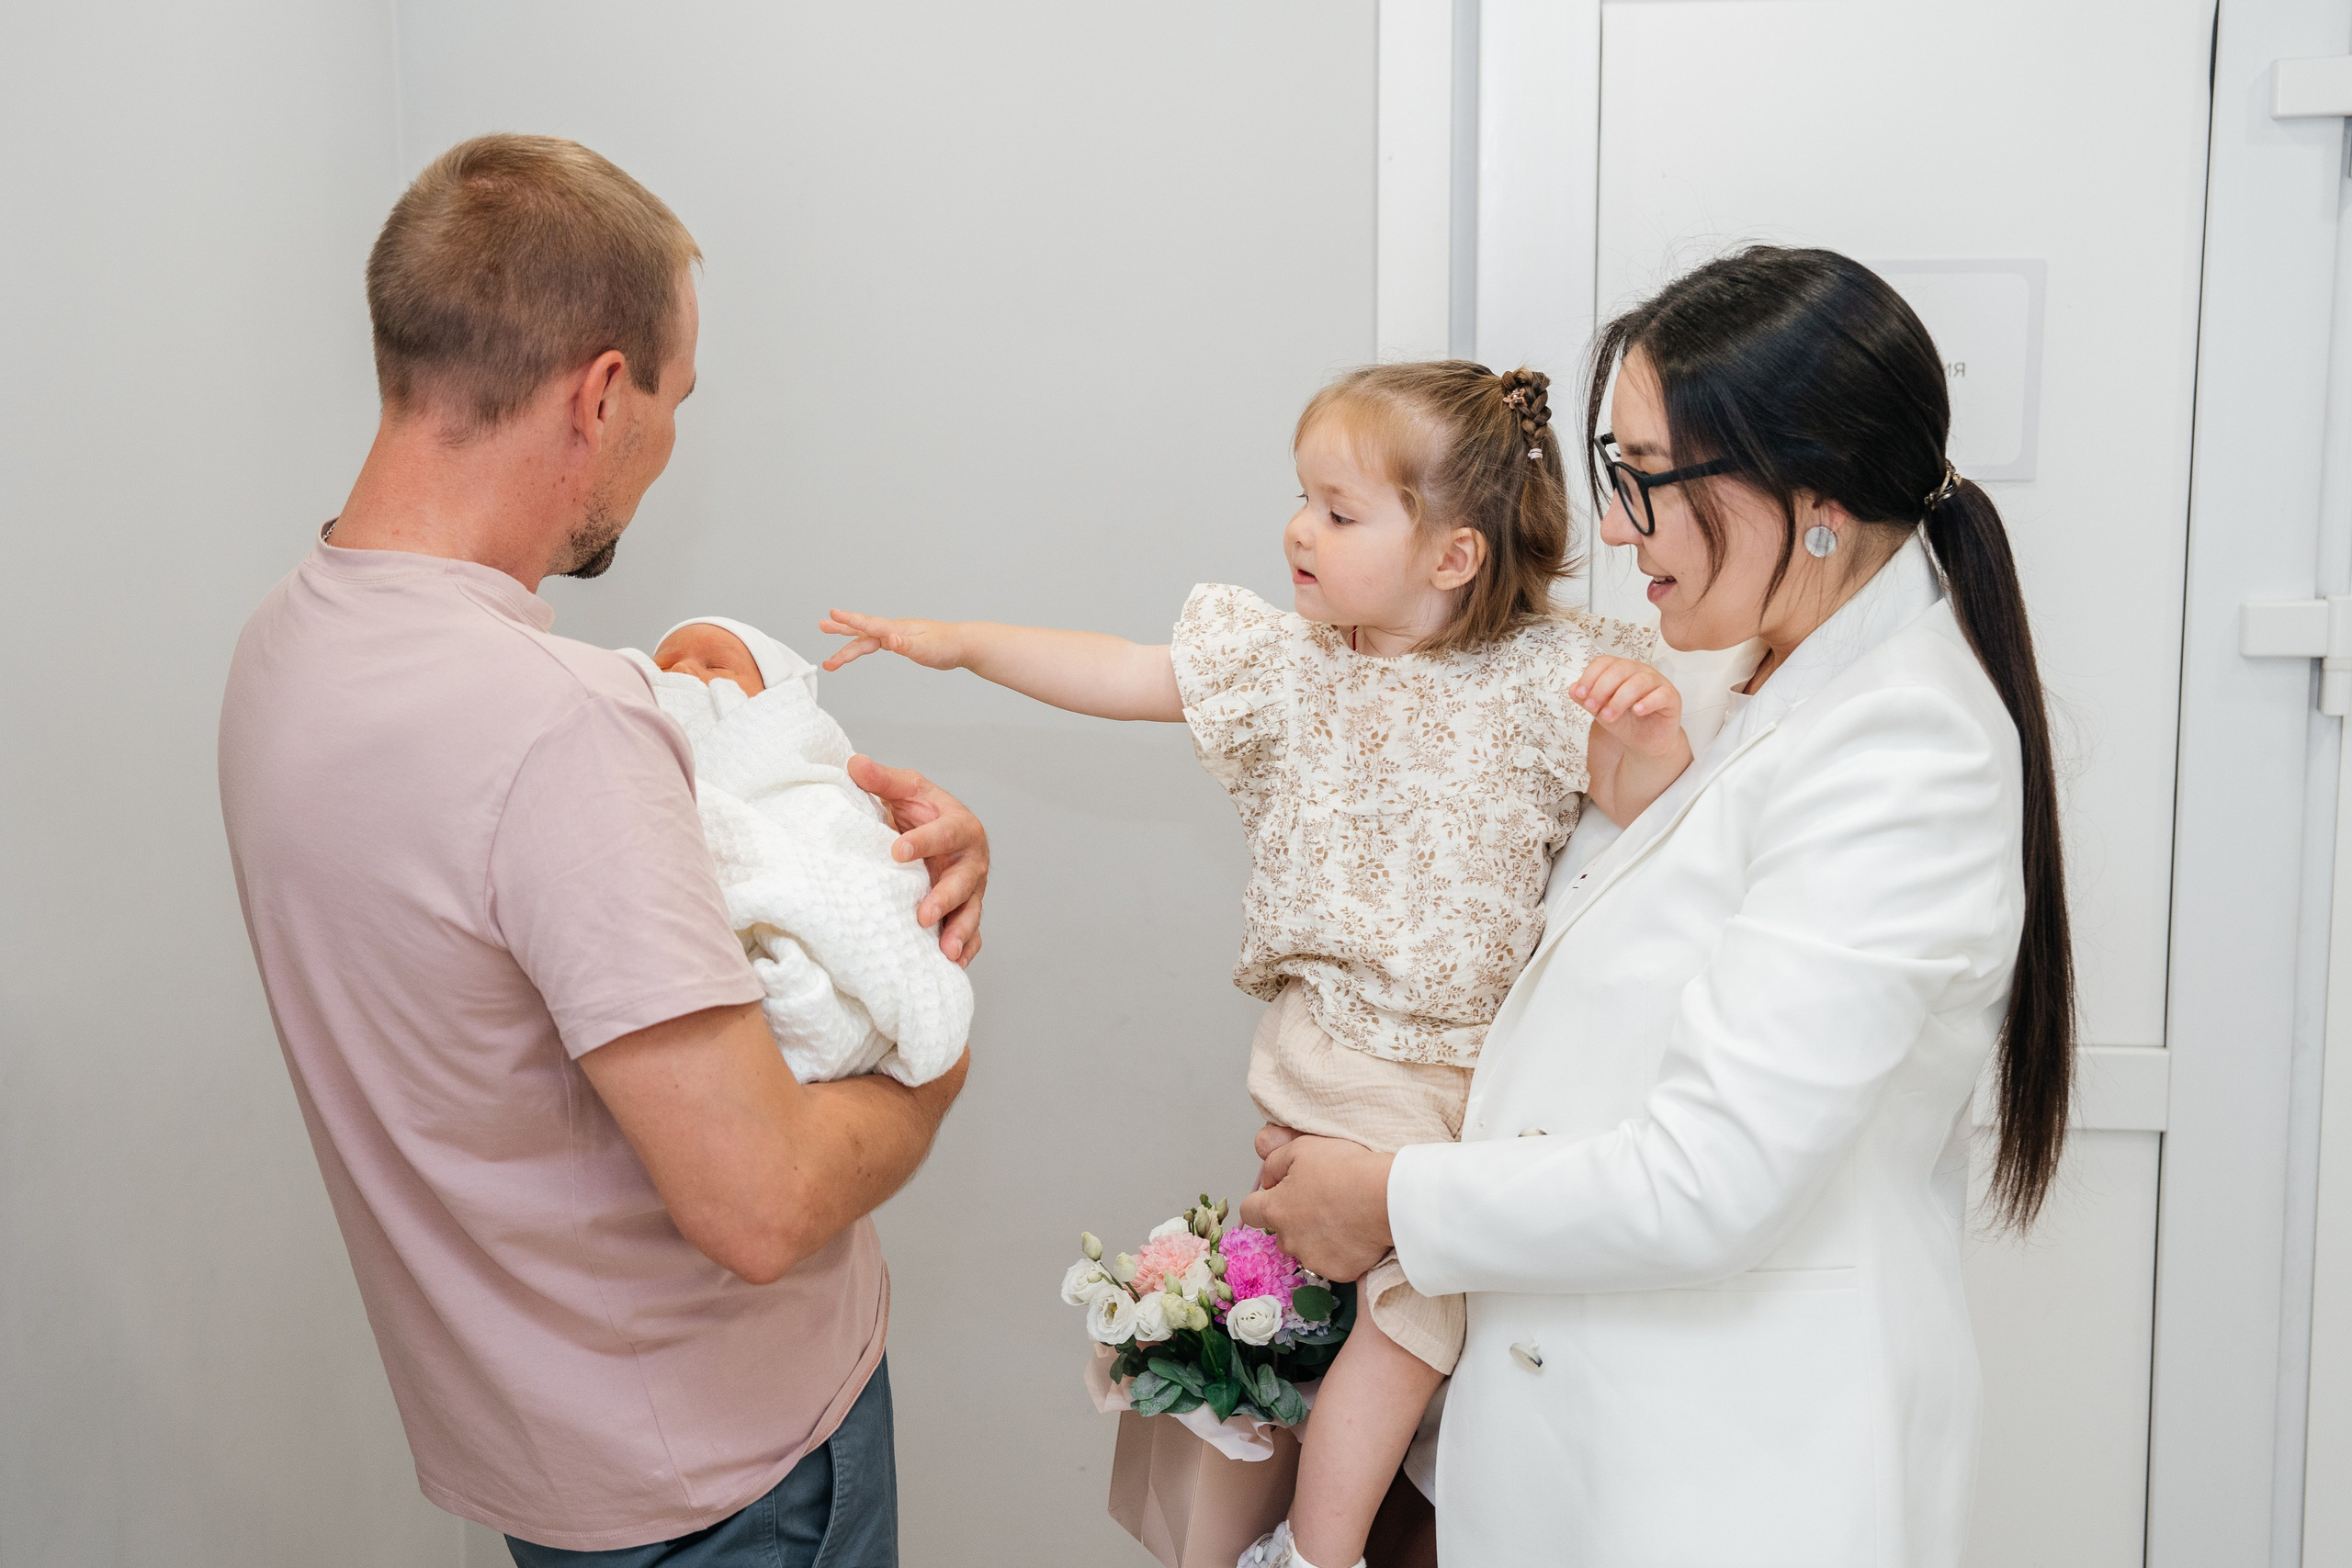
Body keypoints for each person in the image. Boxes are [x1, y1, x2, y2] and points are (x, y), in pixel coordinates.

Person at [1240, 246, 2075, 1566]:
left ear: (1809, 495)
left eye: (1642, 479)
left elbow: (1713, 1173)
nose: (1614, 528)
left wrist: (1393, 1197)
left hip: (1735, 1474)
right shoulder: (1718, 676)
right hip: (1584, 1447)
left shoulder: (1907, 748)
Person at [217, 134, 986, 1567]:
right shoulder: (559, 727)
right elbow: (762, 1205)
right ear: (603, 391)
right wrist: (935, 1016)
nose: (672, 440)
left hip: (552, 1468)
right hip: (738, 1485)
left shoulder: (282, 649)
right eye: (676, 398)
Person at [819, 362, 1687, 1568]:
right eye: (1302, 497)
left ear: (1454, 556)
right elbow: (1125, 670)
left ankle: (1308, 1536)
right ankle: (1315, 1553)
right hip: (1363, 1070)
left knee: (1373, 1327)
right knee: (1414, 1316)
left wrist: (1647, 735)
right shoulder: (1295, 664)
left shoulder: (1547, 676)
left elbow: (1651, 826)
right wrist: (961, 643)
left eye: (1339, 510)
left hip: (1447, 1080)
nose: (1299, 528)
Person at [622, 616, 974, 1089]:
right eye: (663, 665)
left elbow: (832, 828)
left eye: (715, 665)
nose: (683, 672)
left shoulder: (805, 764)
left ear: (775, 700)